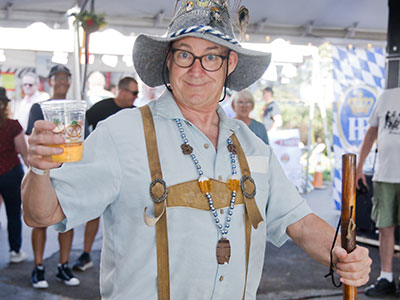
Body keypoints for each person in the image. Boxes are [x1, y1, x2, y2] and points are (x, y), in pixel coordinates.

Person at [22, 1, 371, 299]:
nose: (197, 70)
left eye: (211, 58)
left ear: (229, 64)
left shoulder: (253, 146)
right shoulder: (121, 133)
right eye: (185, 54)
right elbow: (42, 214)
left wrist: (343, 252)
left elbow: (299, 222)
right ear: (168, 61)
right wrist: (40, 169)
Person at [73, 76, 139, 271]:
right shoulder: (101, 108)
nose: (136, 97)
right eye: (134, 93)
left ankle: (124, 257)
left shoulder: (135, 114)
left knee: (126, 214)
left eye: (137, 94)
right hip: (99, 169)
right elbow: (81, 127)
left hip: (127, 171)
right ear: (122, 91)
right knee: (94, 212)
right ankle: (86, 254)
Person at [25, 64, 80, 289]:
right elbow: (32, 139)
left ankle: (63, 265)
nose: (61, 82)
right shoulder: (39, 108)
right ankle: (38, 267)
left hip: (69, 172)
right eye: (57, 79)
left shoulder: (76, 107)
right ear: (50, 82)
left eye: (65, 78)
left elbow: (81, 137)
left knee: (67, 220)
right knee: (40, 220)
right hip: (44, 173)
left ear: (69, 82)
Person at [356, 87, 400, 297]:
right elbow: (371, 132)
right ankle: (386, 277)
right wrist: (358, 167)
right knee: (384, 226)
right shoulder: (387, 96)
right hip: (385, 174)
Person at [0, 87, 28, 264]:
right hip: (11, 173)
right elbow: (23, 151)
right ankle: (15, 251)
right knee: (13, 213)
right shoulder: (12, 125)